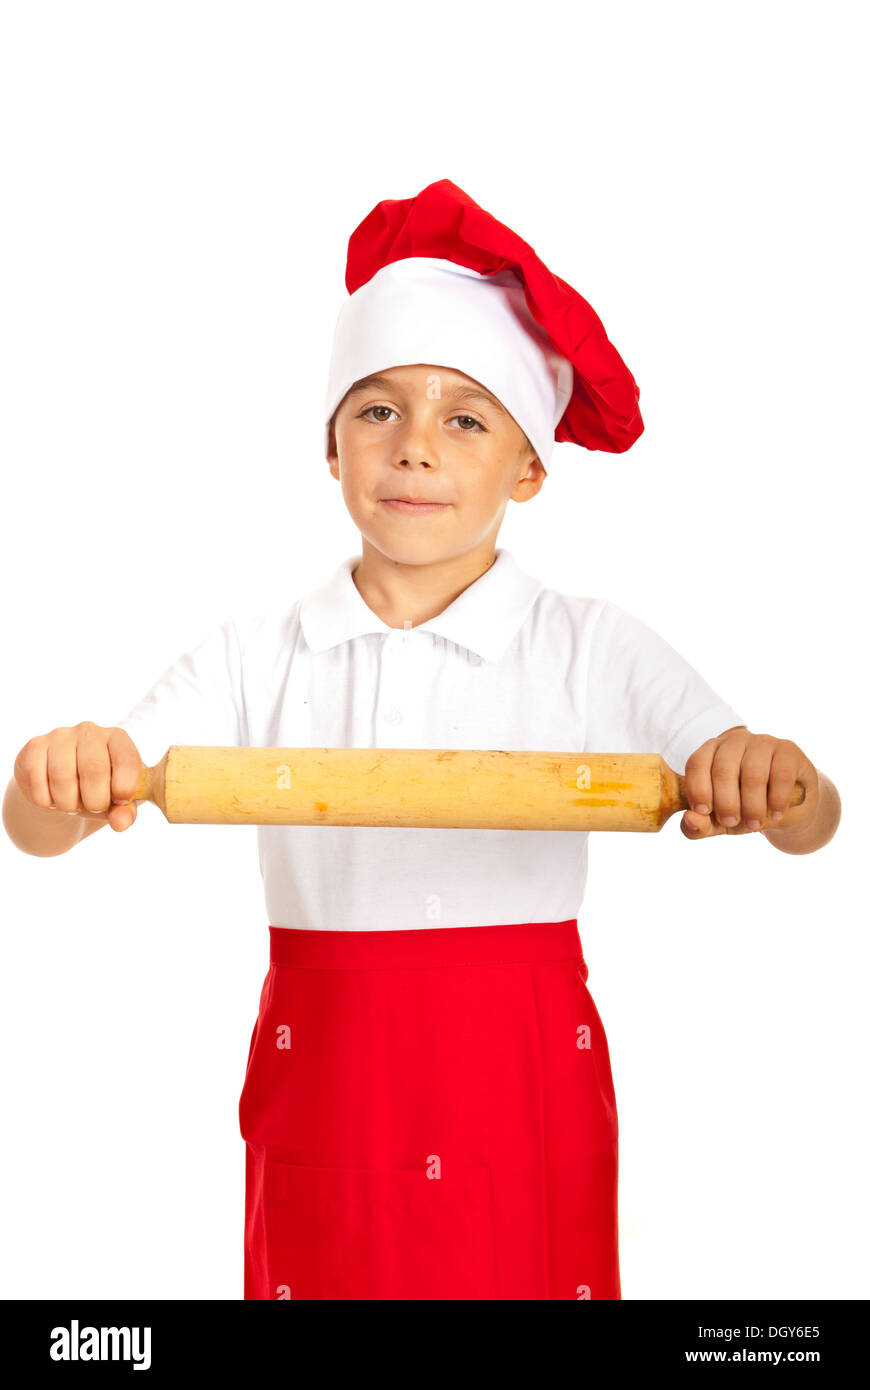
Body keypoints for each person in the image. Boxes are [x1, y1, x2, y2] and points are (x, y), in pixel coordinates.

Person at [3, 179, 842, 1301]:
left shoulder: (588, 645)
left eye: (465, 417)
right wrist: (63, 773)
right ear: (332, 448)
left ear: (530, 466)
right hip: (329, 1070)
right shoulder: (259, 652)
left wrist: (773, 780)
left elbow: (807, 816)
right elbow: (46, 823)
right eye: (378, 410)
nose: (414, 449)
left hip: (518, 1068)